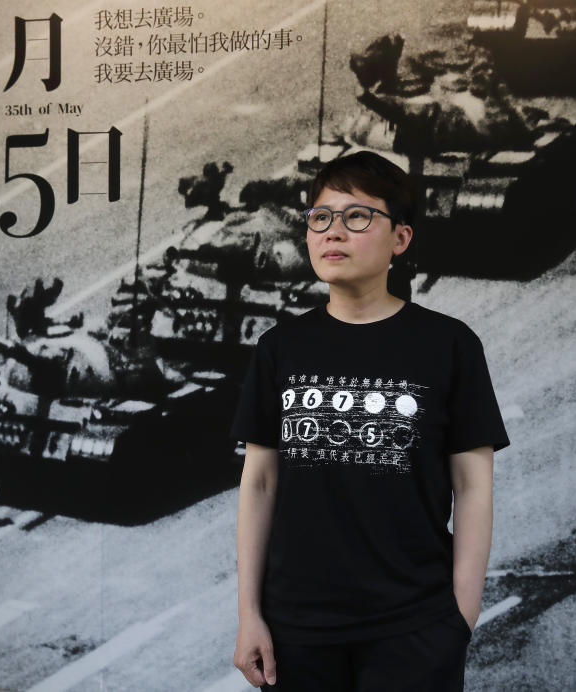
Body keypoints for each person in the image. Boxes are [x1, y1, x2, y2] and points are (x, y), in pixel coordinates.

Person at [230, 150, 510, 691]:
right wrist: (249, 613)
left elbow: (473, 485)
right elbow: (260, 482)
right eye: (321, 217)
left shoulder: (449, 345)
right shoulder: (280, 348)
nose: (334, 231)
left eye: (357, 216)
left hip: (413, 624)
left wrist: (460, 616)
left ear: (399, 240)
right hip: (297, 627)